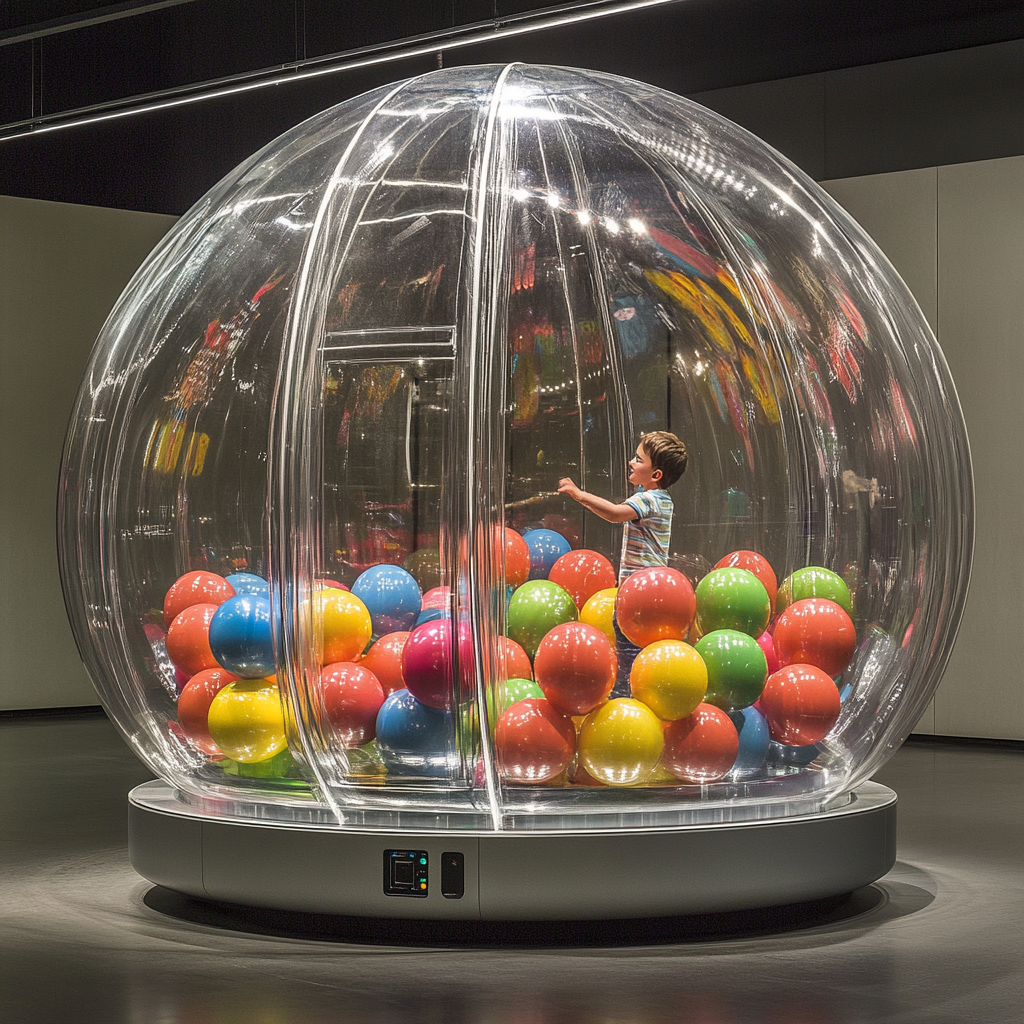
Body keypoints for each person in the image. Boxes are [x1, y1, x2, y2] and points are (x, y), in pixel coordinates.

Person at [558, 430, 688, 696]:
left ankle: (626, 702)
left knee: (629, 660)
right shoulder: (662, 500)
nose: (631, 462)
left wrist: (578, 495)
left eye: (638, 460)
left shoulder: (648, 499)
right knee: (648, 659)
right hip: (656, 595)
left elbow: (616, 514)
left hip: (638, 599)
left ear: (656, 475)